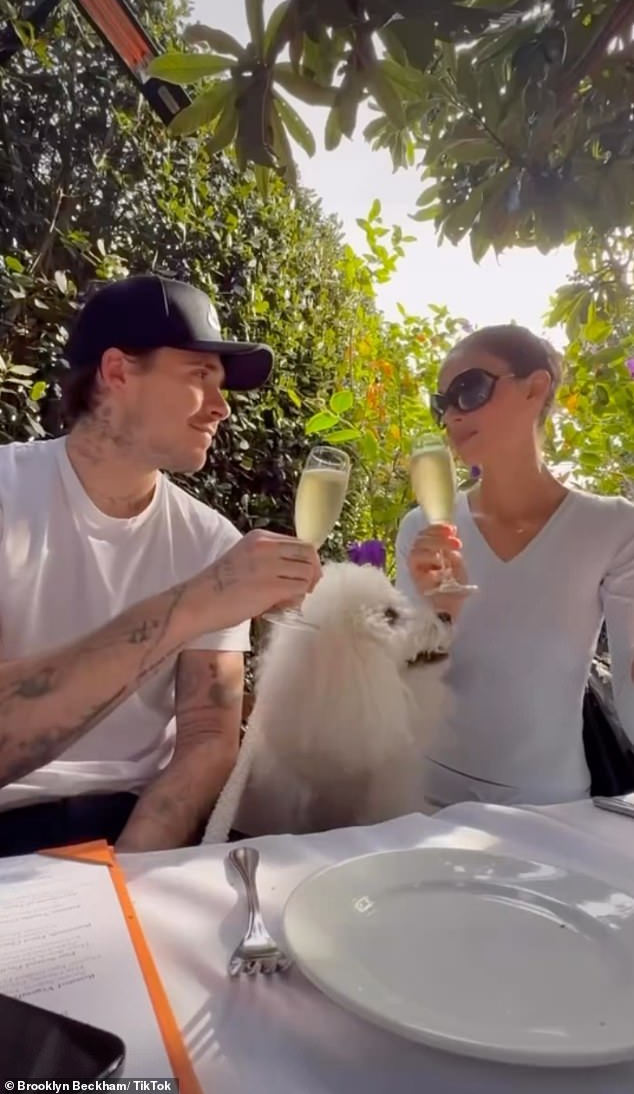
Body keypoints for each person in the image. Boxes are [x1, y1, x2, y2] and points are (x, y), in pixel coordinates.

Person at [0, 274, 320, 856]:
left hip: (134, 826)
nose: (222, 408)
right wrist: (200, 600)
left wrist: (131, 868)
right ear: (118, 372)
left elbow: (206, 736)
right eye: (201, 377)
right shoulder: (6, 493)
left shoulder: (209, 539)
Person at [396, 323, 634, 809]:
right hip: (420, 797)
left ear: (535, 387)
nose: (452, 416)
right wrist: (439, 614)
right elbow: (401, 681)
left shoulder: (613, 527)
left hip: (551, 806)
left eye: (470, 390)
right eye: (442, 404)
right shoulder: (421, 528)